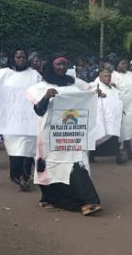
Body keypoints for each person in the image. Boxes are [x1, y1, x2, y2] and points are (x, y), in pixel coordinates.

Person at [27, 57, 103, 216]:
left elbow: (90, 92)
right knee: (52, 166)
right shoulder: (41, 87)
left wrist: (97, 93)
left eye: (64, 64)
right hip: (50, 136)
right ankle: (49, 198)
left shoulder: (74, 83)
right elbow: (39, 111)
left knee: (75, 163)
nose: (62, 67)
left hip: (73, 134)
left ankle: (90, 200)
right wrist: (46, 97)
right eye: (58, 64)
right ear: (50, 65)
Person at [0, 48, 42, 190]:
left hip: (29, 119)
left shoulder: (34, 75)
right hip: (11, 120)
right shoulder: (3, 74)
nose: (21, 59)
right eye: (18, 57)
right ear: (12, 58)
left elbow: (41, 90)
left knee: (28, 149)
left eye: (23, 57)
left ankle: (24, 177)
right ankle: (15, 175)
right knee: (15, 149)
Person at [92, 65, 122, 163]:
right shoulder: (96, 86)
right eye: (105, 76)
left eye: (109, 76)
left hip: (113, 117)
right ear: (100, 77)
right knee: (99, 135)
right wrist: (96, 94)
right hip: (101, 117)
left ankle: (115, 155)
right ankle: (92, 156)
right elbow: (89, 92)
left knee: (113, 136)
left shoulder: (113, 88)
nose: (108, 78)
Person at [112, 57, 132, 161]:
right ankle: (119, 152)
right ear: (117, 65)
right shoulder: (113, 75)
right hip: (119, 106)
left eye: (126, 63)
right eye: (122, 63)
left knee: (129, 127)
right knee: (119, 128)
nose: (125, 66)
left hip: (131, 106)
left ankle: (129, 149)